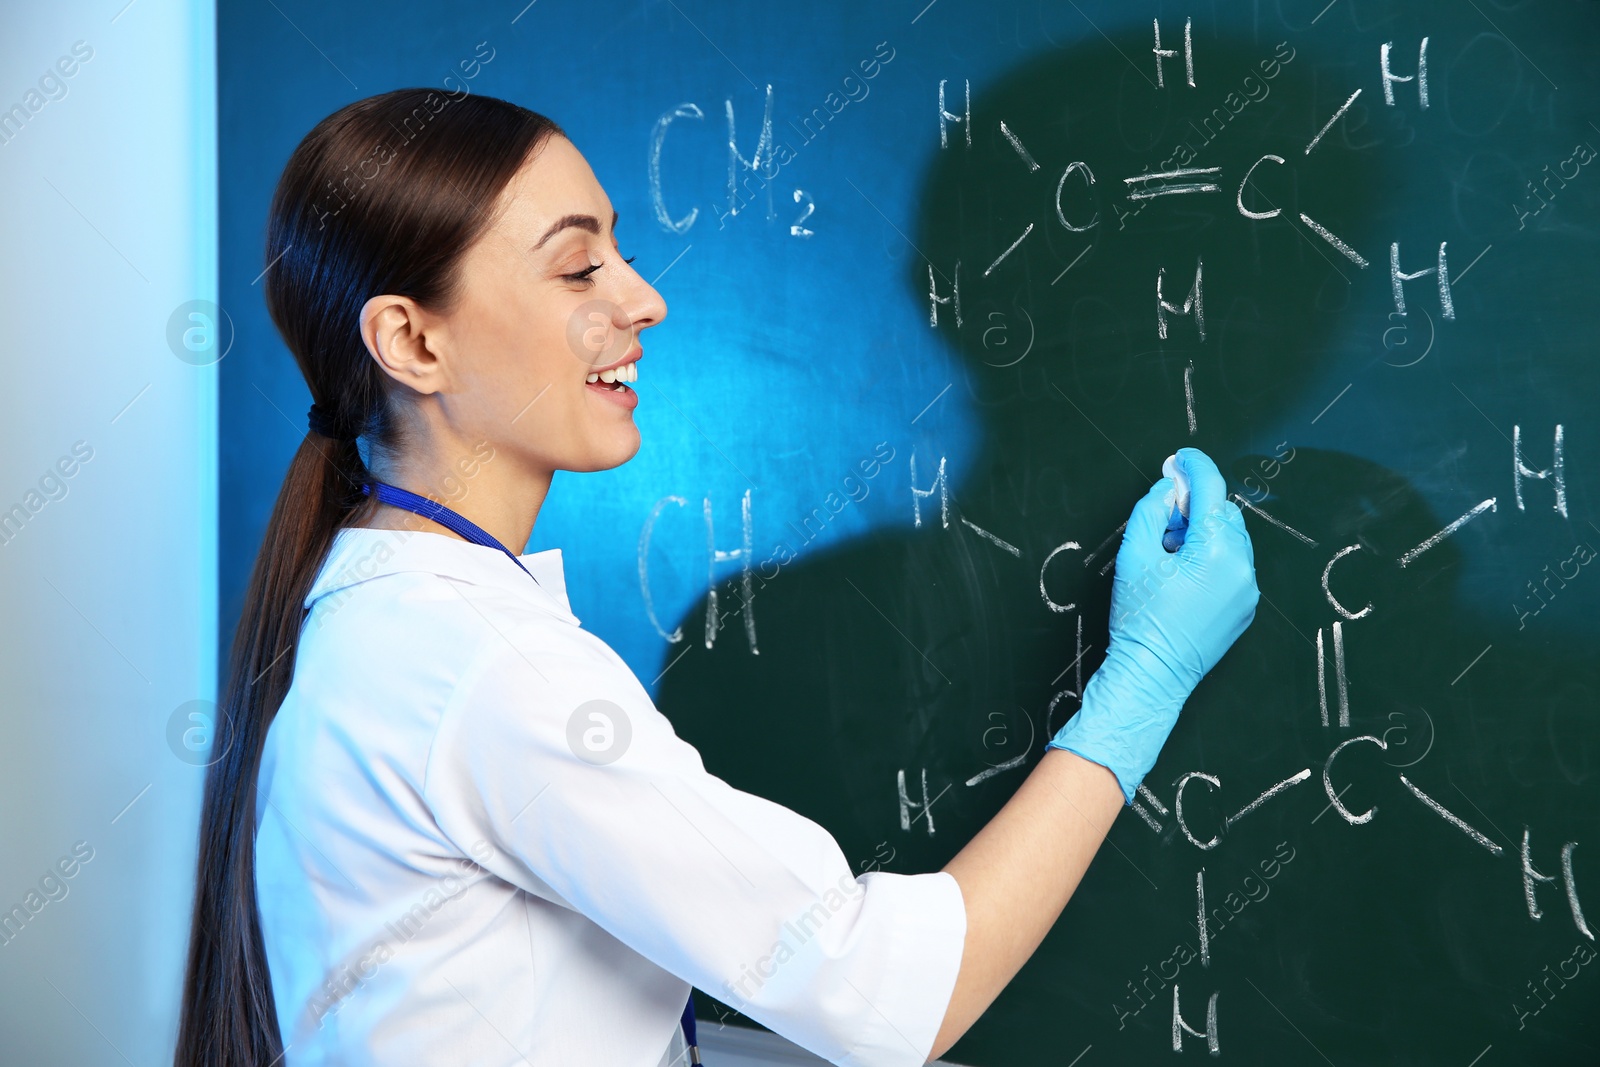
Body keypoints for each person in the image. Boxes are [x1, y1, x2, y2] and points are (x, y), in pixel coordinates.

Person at [174, 88, 1258, 1067]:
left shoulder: (384, 615)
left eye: (621, 252)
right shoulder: (481, 666)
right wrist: (1140, 685)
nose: (643, 299)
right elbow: (883, 993)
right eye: (577, 265)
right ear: (412, 341)